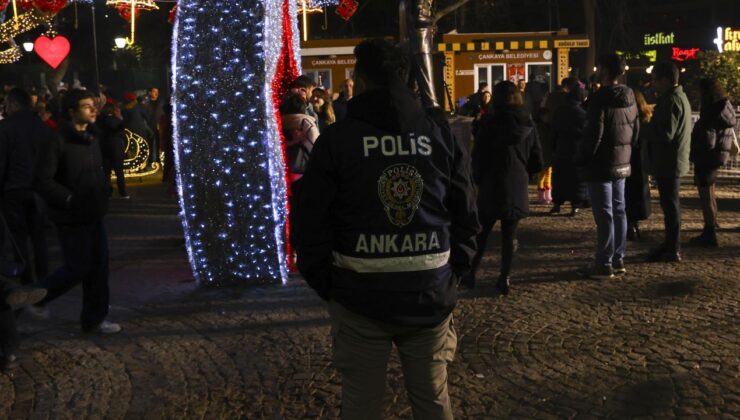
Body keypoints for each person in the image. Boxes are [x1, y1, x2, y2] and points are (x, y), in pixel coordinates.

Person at [295, 39, 479, 420]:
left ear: (359, 80)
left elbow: (310, 220)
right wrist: (455, 270)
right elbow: (466, 210)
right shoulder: (439, 133)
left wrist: (329, 285)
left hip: (359, 297)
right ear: (409, 79)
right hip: (428, 294)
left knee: (361, 406)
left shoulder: (337, 140)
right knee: (432, 401)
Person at [32, 89, 121, 334]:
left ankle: (94, 319)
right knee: (78, 267)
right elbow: (43, 180)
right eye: (86, 106)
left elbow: (97, 166)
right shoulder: (57, 140)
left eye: (93, 105)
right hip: (71, 216)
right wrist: (69, 198)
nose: (92, 110)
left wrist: (104, 188)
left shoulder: (93, 136)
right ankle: (37, 297)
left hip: (94, 213)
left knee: (99, 267)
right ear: (72, 112)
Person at [463, 80, 543, 293]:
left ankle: (470, 273)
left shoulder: (489, 123)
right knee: (509, 236)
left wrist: (478, 180)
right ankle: (504, 277)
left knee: (481, 234)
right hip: (516, 183)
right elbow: (538, 159)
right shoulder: (527, 124)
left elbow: (477, 157)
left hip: (491, 181)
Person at [575, 54, 639, 280]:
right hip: (622, 161)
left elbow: (594, 134)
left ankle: (604, 262)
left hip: (600, 165)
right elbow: (635, 130)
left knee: (605, 215)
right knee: (619, 211)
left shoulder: (600, 98)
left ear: (603, 69)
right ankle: (618, 258)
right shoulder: (630, 95)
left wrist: (582, 158)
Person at [0, 88, 52, 285]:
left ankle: (27, 279)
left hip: (13, 190)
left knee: (18, 238)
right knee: (39, 237)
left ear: (13, 104)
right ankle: (44, 278)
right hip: (38, 189)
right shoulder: (42, 127)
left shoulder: (5, 128)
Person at [646, 62, 692, 262]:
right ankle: (670, 244)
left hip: (669, 161)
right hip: (672, 160)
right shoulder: (677, 97)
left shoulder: (671, 101)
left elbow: (666, 133)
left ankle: (673, 248)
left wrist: (644, 129)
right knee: (670, 205)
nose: (653, 84)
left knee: (671, 206)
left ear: (665, 80)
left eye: (655, 80)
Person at [689, 79, 736, 247]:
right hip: (717, 156)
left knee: (706, 195)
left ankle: (709, 232)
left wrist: (694, 143)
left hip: (707, 157)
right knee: (711, 192)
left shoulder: (711, 111)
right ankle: (712, 224)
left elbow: (708, 140)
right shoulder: (724, 108)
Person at [550, 85, 588, 215]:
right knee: (576, 179)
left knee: (560, 177)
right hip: (577, 148)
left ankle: (557, 203)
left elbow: (553, 129)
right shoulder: (583, 114)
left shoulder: (559, 111)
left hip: (561, 147)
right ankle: (575, 205)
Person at [625, 90, 653, 240]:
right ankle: (634, 224)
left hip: (629, 159)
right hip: (642, 162)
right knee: (638, 193)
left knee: (628, 194)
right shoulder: (646, 119)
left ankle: (630, 225)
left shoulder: (629, 118)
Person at [97, 102, 129, 199]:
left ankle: (108, 192)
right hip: (116, 149)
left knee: (107, 173)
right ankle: (123, 192)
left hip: (105, 149)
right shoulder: (118, 121)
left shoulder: (101, 120)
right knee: (119, 172)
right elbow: (122, 133)